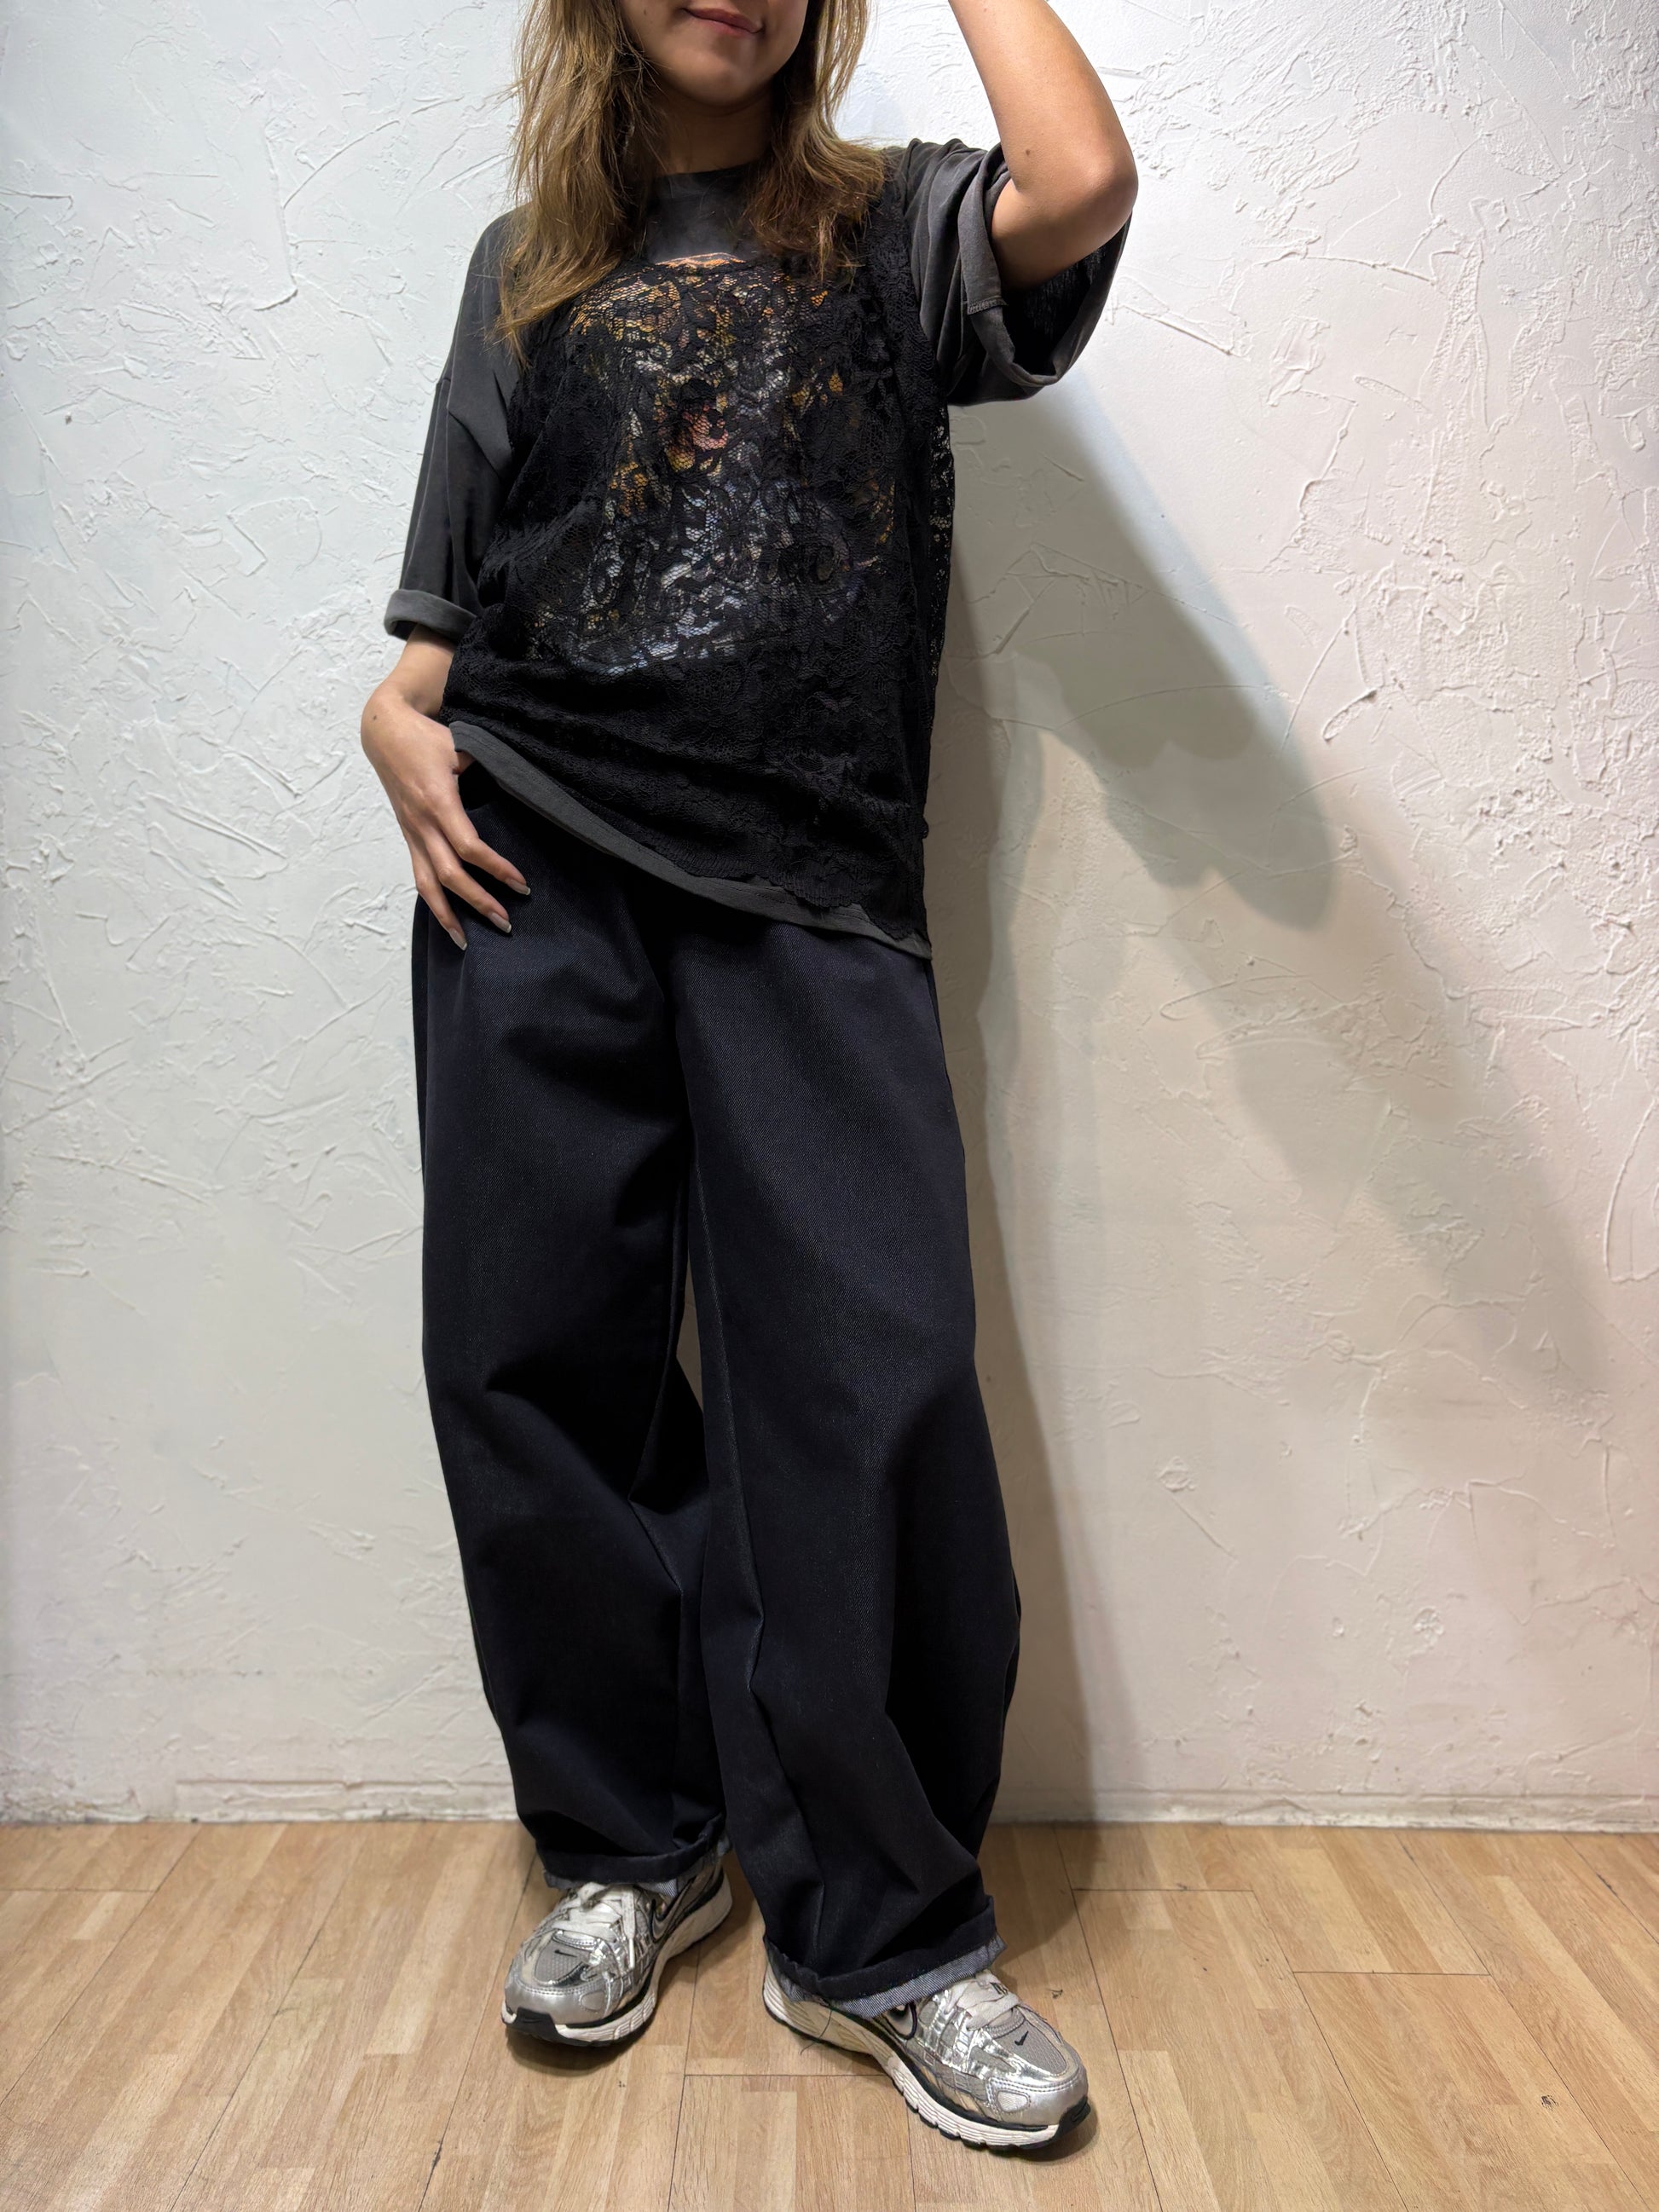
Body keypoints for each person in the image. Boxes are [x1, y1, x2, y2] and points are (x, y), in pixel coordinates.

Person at [361, 0, 1134, 2155]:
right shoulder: (526, 266)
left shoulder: (894, 233)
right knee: (536, 1362)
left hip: (809, 881)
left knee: (869, 1379)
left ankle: (881, 1926)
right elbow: (432, 624)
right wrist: (394, 716)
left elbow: (1081, 181)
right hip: (530, 861)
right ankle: (631, 1840)